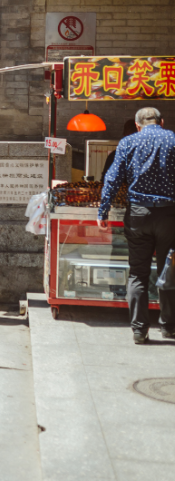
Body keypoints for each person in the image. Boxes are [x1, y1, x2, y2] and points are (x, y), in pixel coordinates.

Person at [98, 107, 175, 344]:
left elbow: (112, 178)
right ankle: (169, 327)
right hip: (169, 215)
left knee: (138, 273)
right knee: (169, 270)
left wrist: (103, 210)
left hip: (138, 215)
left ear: (138, 124)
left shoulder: (128, 142)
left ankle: (139, 330)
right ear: (161, 122)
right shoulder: (173, 139)